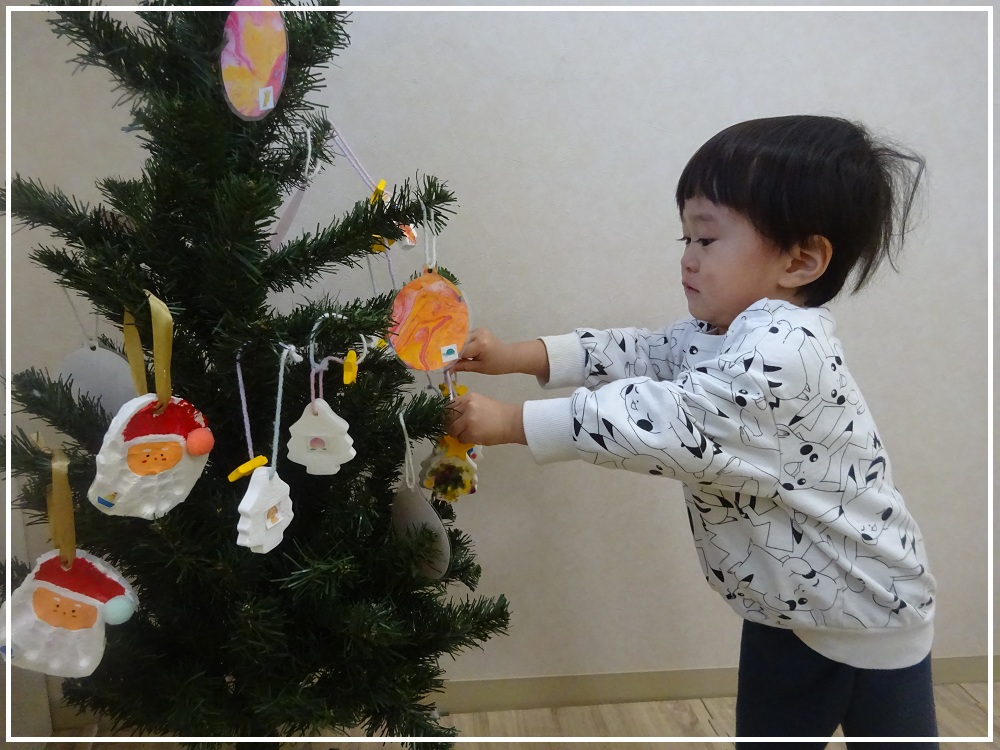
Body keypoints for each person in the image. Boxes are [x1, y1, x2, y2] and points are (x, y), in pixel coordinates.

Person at [445, 115, 938, 745]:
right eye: (685, 237)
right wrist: (517, 355)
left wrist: (513, 422)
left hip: (866, 613)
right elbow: (639, 352)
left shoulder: (784, 354)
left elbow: (665, 421)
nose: (687, 258)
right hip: (782, 605)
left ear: (801, 260)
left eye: (706, 238)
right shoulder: (723, 333)